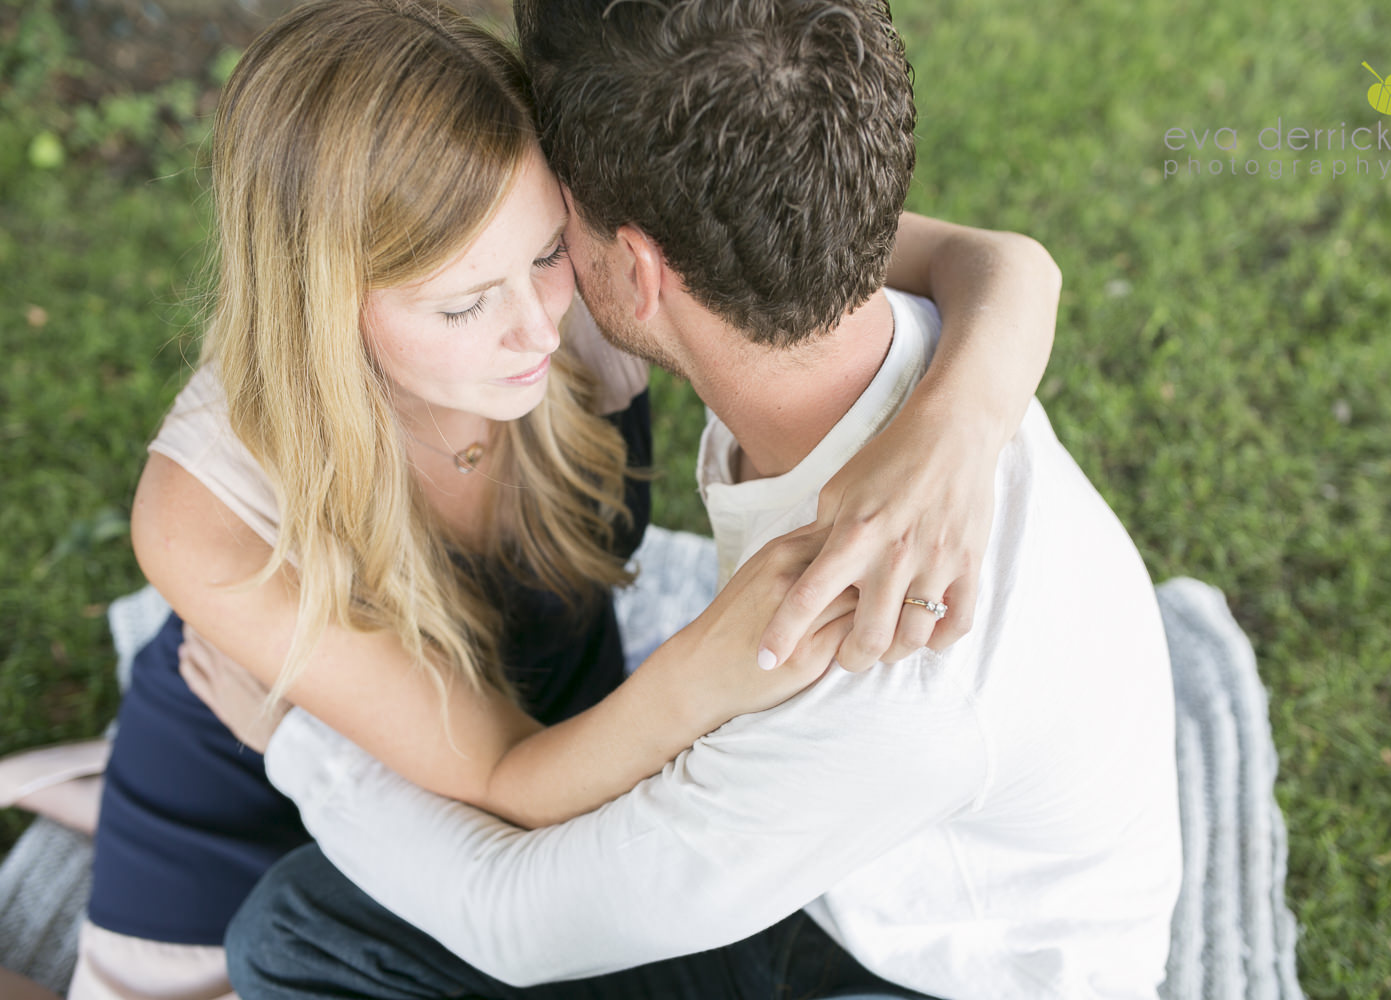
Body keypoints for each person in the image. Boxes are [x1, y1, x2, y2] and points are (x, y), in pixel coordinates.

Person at [0, 0, 1063, 996]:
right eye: (464, 304)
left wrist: (956, 429)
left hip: (561, 712)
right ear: (325, 311)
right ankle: (103, 799)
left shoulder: (601, 281)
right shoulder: (204, 509)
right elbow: (501, 771)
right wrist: (713, 656)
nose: (540, 329)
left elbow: (1000, 264)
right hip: (256, 746)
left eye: (551, 252)